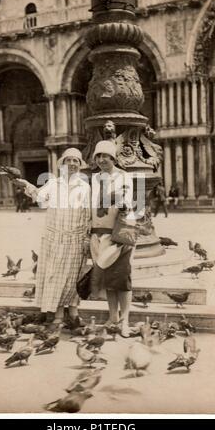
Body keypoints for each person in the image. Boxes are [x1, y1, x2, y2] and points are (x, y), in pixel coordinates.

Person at [13, 148, 91, 326]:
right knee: (55, 276)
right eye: (68, 160)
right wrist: (26, 184)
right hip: (54, 238)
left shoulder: (85, 187)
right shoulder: (54, 184)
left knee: (73, 277)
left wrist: (87, 239)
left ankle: (73, 312)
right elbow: (40, 199)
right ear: (62, 164)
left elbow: (87, 215)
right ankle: (57, 315)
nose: (72, 163)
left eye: (76, 161)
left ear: (80, 165)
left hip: (76, 239)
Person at [90, 140, 134, 338]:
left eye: (105, 156)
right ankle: (113, 318)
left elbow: (127, 201)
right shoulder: (93, 179)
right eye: (98, 156)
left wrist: (113, 196)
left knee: (122, 279)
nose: (101, 160)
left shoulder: (124, 176)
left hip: (119, 234)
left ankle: (125, 320)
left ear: (113, 158)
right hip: (98, 234)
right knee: (108, 279)